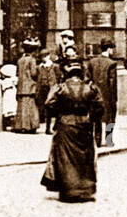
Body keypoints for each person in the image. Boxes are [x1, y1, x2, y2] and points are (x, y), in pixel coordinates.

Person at [41, 58, 104, 202]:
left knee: (66, 158)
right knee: (85, 157)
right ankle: (85, 189)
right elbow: (100, 106)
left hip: (66, 125)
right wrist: (91, 117)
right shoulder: (90, 88)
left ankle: (69, 189)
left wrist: (60, 113)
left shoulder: (60, 88)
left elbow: (49, 103)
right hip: (84, 125)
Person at [88, 39, 119, 147]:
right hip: (107, 96)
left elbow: (88, 80)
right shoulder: (112, 63)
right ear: (109, 49)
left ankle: (97, 141)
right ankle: (109, 140)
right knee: (110, 119)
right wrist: (114, 99)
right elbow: (112, 83)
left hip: (95, 96)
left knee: (96, 118)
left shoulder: (92, 62)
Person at [13, 40, 40, 134]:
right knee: (30, 107)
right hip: (30, 86)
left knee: (21, 107)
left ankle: (20, 126)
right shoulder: (32, 60)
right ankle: (30, 126)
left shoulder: (20, 60)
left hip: (21, 86)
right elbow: (34, 73)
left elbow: (17, 73)